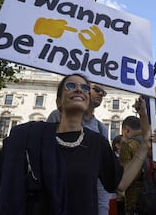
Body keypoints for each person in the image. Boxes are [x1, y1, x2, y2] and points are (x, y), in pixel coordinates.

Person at [0, 73, 154, 215]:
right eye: (70, 86)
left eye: (85, 87)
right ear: (59, 101)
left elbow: (120, 183)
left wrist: (145, 146)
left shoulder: (97, 143)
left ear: (87, 100)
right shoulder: (29, 136)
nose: (79, 89)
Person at [47, 82, 111, 215]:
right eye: (97, 90)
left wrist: (103, 210)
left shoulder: (101, 129)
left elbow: (102, 178)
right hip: (55, 196)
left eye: (103, 93)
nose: (100, 94)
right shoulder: (57, 117)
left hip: (84, 201)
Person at [118, 115, 143, 214]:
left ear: (126, 130)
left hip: (134, 199)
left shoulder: (127, 144)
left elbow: (125, 176)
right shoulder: (152, 144)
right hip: (155, 195)